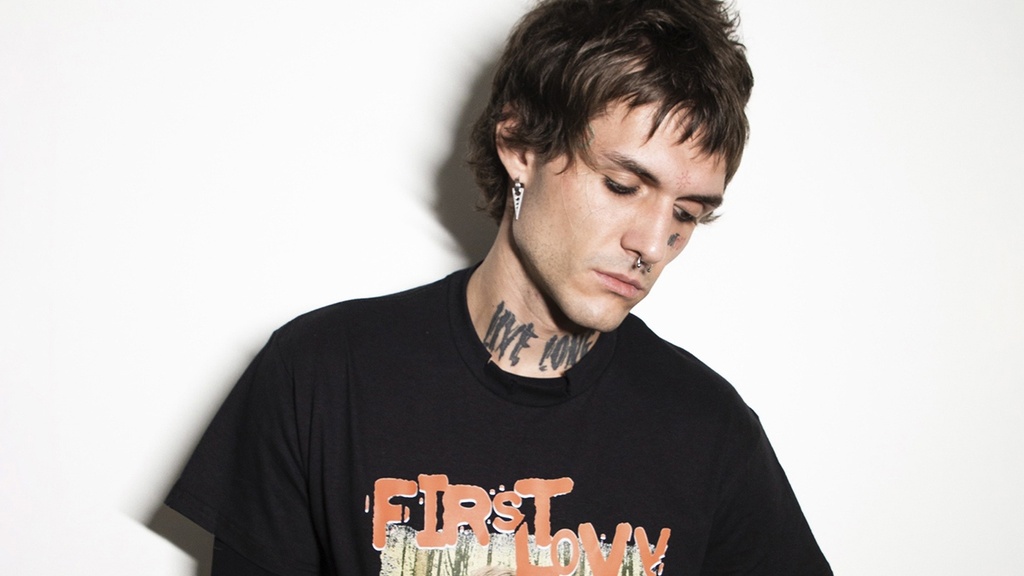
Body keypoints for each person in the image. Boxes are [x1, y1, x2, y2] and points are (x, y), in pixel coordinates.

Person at [165, 0, 832, 574]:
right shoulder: (319, 376)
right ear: (520, 145)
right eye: (623, 185)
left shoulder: (707, 431)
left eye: (686, 213)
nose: (653, 245)